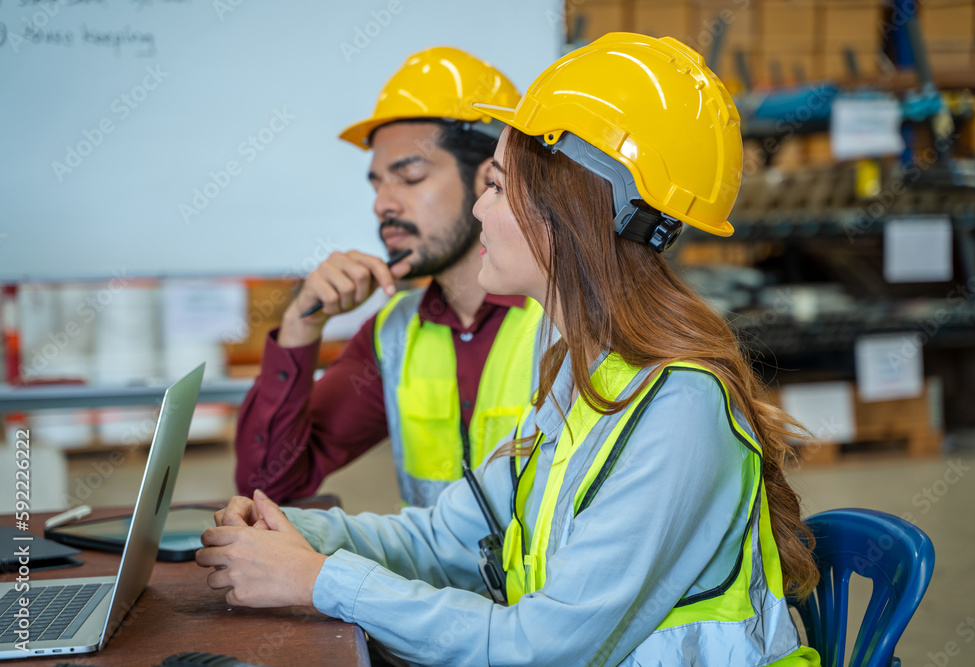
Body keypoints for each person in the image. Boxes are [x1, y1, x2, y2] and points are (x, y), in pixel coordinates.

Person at [200, 34, 822, 665]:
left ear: (566, 207)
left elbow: (541, 648)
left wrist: (319, 581)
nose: (478, 207)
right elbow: (448, 535)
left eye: (496, 186)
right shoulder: (579, 377)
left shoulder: (680, 408)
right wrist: (294, 534)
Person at [234, 47, 546, 508]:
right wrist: (301, 326)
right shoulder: (394, 334)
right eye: (378, 183)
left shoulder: (566, 316)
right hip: (429, 584)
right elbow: (268, 486)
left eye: (410, 176)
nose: (383, 204)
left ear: (489, 180)